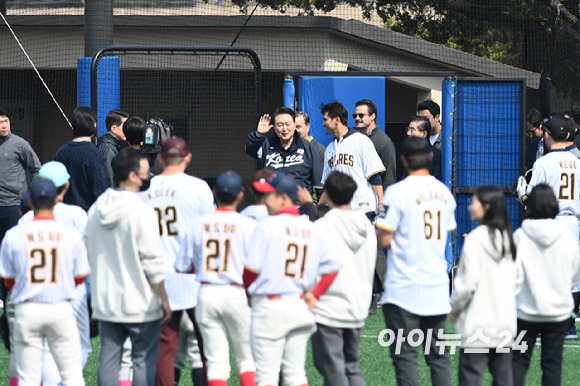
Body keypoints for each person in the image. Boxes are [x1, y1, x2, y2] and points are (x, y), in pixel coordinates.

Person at [243, 172, 342, 386]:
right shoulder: (311, 228)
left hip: (270, 307)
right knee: (296, 375)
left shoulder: (267, 226)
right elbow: (334, 267)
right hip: (299, 307)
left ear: (284, 198)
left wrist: (248, 293)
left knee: (267, 376)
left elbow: (250, 271)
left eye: (270, 195)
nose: (265, 201)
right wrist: (315, 295)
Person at [84, 148, 172, 386]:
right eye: (145, 173)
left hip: (106, 300)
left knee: (109, 359)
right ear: (133, 176)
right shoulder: (141, 210)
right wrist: (163, 297)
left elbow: (87, 244)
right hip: (140, 302)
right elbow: (152, 260)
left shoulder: (97, 208)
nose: (148, 177)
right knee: (142, 360)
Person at [376, 137, 456, 386]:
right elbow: (447, 229)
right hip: (437, 287)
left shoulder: (397, 192)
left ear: (403, 160)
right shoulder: (444, 192)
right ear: (430, 158)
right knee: (439, 358)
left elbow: (385, 239)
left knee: (406, 358)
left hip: (404, 289)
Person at [139, 137, 215, 386]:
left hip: (158, 277)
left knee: (165, 345)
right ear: (188, 158)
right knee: (207, 344)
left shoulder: (144, 191)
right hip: (193, 275)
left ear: (160, 158)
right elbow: (209, 229)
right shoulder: (199, 187)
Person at [0, 177, 90, 385]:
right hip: (61, 307)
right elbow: (80, 277)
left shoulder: (14, 235)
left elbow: (8, 282)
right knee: (71, 374)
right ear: (55, 201)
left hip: (27, 309)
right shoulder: (70, 234)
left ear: (30, 202)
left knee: (28, 377)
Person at [176, 170, 257, 386]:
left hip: (207, 293)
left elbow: (181, 266)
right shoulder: (249, 225)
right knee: (247, 359)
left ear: (214, 193)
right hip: (238, 293)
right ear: (241, 194)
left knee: (216, 363)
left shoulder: (197, 224)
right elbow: (258, 267)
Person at [449, 186, 522, 386]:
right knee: (503, 379)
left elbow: (466, 284)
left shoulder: (475, 240)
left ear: (487, 207)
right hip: (504, 324)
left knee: (471, 377)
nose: (470, 206)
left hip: (476, 324)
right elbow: (518, 281)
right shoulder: (510, 240)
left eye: (474, 202)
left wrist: (455, 308)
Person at [311, 171, 377, 386]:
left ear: (327, 193)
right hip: (357, 305)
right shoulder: (367, 226)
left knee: (331, 368)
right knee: (350, 367)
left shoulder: (322, 227)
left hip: (328, 307)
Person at [512, 184, 580, 386]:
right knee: (552, 365)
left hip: (525, 310)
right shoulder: (567, 238)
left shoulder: (520, 236)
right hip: (557, 311)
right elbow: (575, 275)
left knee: (518, 361)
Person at [0, 106, 41, 336]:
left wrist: (30, 197)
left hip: (13, 206)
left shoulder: (20, 144)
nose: (3, 125)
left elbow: (35, 168)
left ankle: (19, 290)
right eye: (0, 121)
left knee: (16, 250)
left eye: (5, 121)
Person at [318, 102, 385, 220]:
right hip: (340, 214)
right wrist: (318, 208)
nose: (323, 124)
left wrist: (380, 203)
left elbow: (375, 176)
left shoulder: (361, 141)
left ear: (336, 119)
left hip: (363, 210)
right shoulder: (329, 149)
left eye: (325, 119)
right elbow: (328, 186)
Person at [245, 107, 323, 198]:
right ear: (274, 127)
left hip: (300, 209)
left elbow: (318, 182)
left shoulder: (307, 147)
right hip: (272, 207)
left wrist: (315, 207)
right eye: (280, 125)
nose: (284, 129)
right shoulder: (266, 145)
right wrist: (259, 135)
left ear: (294, 125)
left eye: (288, 124)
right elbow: (250, 150)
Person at [54, 106, 107, 211]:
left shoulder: (61, 151)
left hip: (64, 211)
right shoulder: (93, 153)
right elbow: (99, 188)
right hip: (87, 213)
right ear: (93, 125)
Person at [354, 99, 396, 190]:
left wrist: (383, 203)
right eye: (355, 115)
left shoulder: (384, 142)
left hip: (374, 198)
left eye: (361, 115)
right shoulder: (354, 138)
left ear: (372, 116)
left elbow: (389, 178)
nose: (357, 118)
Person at [97, 109, 129, 187]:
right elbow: (108, 177)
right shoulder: (108, 149)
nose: (127, 129)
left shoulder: (105, 143)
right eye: (124, 126)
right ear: (114, 128)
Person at [405, 116, 442, 181]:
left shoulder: (436, 154)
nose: (408, 133)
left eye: (412, 130)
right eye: (408, 129)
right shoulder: (408, 152)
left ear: (424, 134)